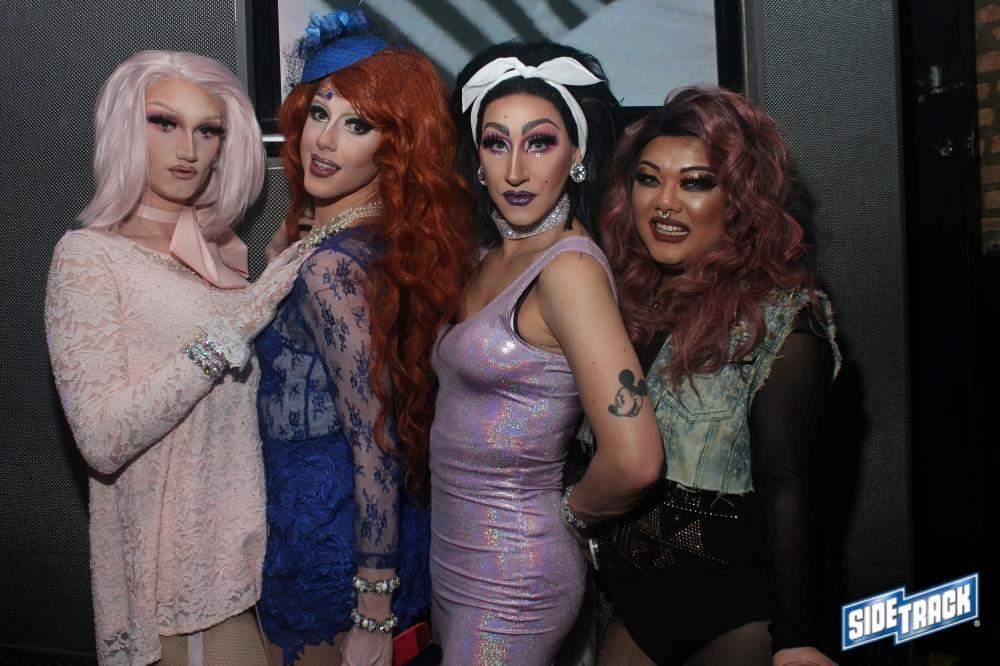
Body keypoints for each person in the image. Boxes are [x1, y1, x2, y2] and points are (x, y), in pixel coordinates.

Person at [45, 50, 301, 665]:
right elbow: (102, 439)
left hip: (245, 557)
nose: (188, 149)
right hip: (171, 580)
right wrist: (232, 328)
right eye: (164, 122)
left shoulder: (222, 259)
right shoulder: (88, 257)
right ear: (125, 129)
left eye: (207, 130)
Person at [584, 85, 842, 666]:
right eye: (649, 179)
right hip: (635, 608)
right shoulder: (619, 302)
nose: (664, 203)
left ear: (739, 199)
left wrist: (796, 639)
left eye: (695, 182)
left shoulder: (782, 320)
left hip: (736, 620)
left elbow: (787, 486)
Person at [430, 41, 664, 665]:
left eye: (539, 143)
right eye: (495, 143)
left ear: (577, 153)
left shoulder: (569, 271)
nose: (514, 171)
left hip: (514, 575)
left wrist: (568, 516)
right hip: (454, 556)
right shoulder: (490, 255)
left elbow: (636, 459)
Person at [253, 10, 475, 665]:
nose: (324, 141)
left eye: (358, 125)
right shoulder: (387, 244)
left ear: (394, 147)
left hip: (330, 551)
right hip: (366, 534)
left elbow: (376, 439)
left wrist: (373, 612)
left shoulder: (330, 269)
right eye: (320, 113)